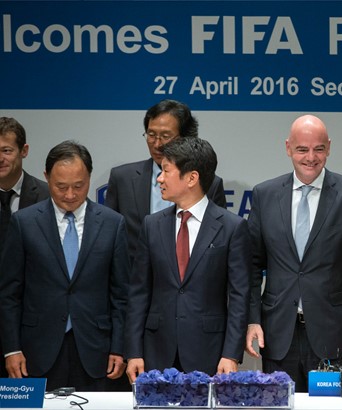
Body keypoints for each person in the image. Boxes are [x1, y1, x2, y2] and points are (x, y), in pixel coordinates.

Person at [245, 115, 342, 392]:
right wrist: (252, 319)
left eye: (318, 149)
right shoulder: (264, 194)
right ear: (288, 148)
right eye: (302, 149)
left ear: (329, 147)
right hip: (279, 335)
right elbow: (250, 267)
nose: (311, 158)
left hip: (336, 335)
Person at [0, 141, 129, 391]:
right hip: (36, 350)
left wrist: (119, 347)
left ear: (89, 177)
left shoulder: (113, 224)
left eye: (79, 186)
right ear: (46, 177)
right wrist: (11, 349)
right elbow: (9, 294)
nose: (70, 195)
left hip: (97, 350)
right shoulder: (24, 223)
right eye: (61, 186)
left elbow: (121, 295)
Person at [125, 137, 250, 380]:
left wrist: (231, 354)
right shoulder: (152, 225)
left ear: (192, 178)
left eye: (166, 171)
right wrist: (133, 352)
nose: (159, 179)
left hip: (209, 353)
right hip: (156, 352)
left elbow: (238, 296)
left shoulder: (231, 227)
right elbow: (139, 293)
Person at [105, 99, 226, 259]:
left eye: (165, 136)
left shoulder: (210, 184)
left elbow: (217, 240)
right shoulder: (122, 178)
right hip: (135, 273)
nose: (157, 144)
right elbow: (110, 238)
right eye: (151, 135)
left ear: (185, 138)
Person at [0, 117, 50, 378]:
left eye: (6, 150)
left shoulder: (49, 197)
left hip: (33, 332)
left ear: (24, 151)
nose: (0, 158)